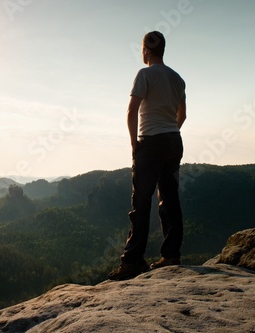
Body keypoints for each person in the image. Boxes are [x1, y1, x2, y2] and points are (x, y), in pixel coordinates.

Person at [108, 31, 187, 280]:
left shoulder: (145, 74)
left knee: (141, 202)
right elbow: (182, 116)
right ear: (163, 49)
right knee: (170, 198)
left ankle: (133, 261)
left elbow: (132, 111)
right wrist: (170, 132)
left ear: (145, 50)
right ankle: (171, 255)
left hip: (150, 142)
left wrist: (135, 145)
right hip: (174, 141)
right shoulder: (178, 79)